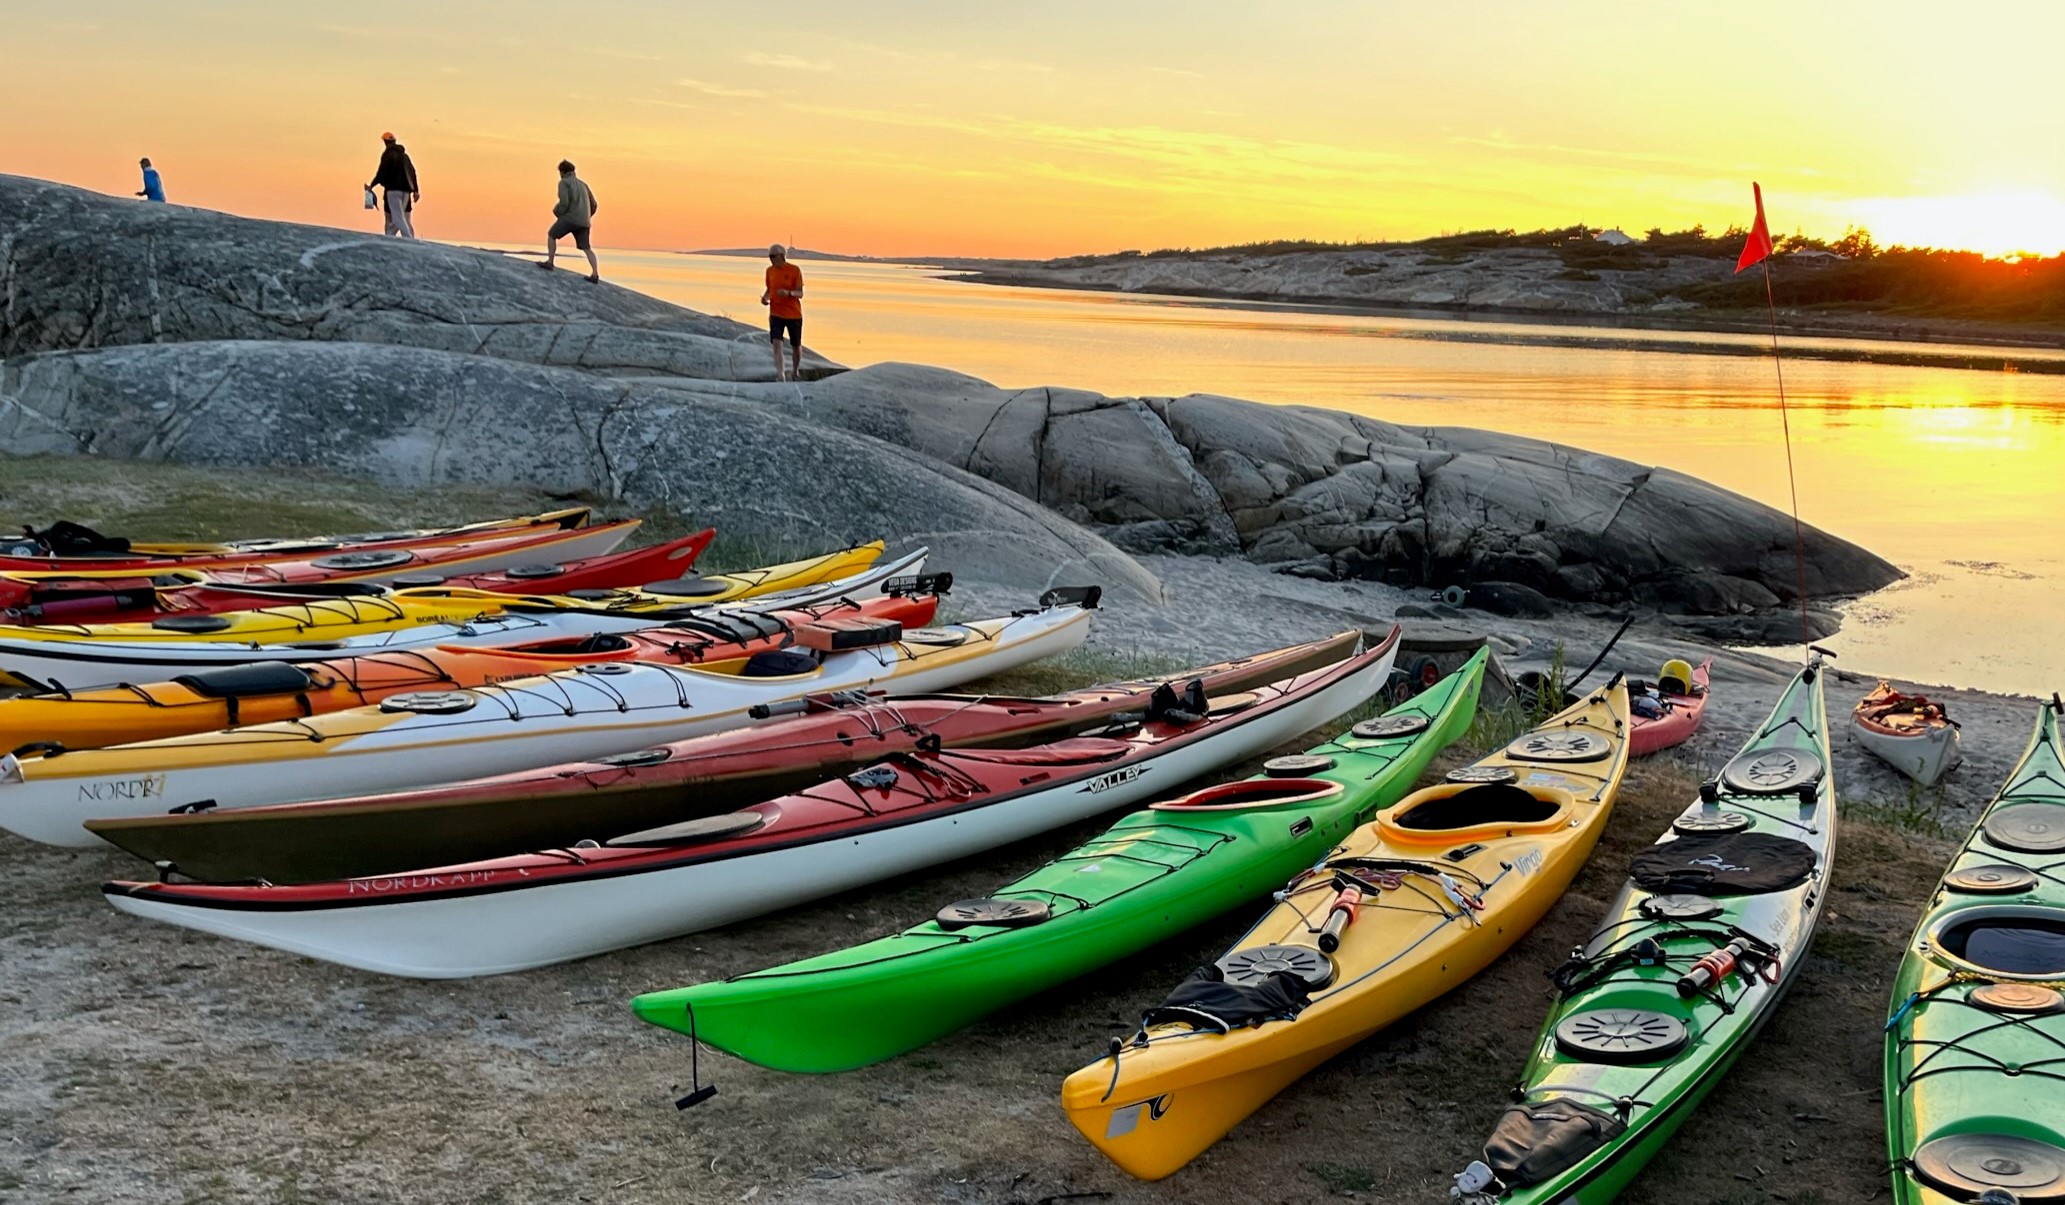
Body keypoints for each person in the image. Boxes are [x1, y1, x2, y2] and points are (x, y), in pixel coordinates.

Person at [541, 160, 600, 283]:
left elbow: (564, 203)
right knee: (587, 248)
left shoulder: (564, 183)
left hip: (570, 218)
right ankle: (595, 274)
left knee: (552, 235)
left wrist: (558, 212)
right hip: (584, 221)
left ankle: (550, 262)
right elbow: (594, 204)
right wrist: (587, 216)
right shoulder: (583, 184)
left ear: (562, 172)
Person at [761, 244, 805, 381]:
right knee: (776, 342)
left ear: (781, 256)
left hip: (794, 314)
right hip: (776, 313)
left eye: (773, 256)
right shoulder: (769, 271)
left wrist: (788, 293)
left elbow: (800, 293)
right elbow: (770, 290)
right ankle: (781, 374)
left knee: (796, 346)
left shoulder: (794, 270)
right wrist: (765, 298)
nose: (771, 259)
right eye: (769, 256)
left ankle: (795, 371)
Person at [366, 132, 419, 238]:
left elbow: (381, 172)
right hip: (407, 191)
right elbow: (413, 172)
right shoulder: (405, 156)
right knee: (402, 216)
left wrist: (371, 185)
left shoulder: (388, 154)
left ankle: (408, 238)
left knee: (397, 217)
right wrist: (416, 190)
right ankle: (391, 235)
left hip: (393, 190)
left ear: (385, 142)